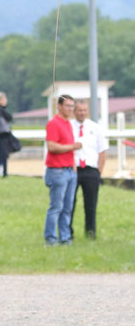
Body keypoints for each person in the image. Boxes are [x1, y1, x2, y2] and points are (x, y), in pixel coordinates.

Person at [43, 95, 82, 246]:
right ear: (59, 106)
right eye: (68, 106)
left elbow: (67, 146)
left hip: (70, 171)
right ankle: (51, 239)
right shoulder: (54, 123)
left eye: (72, 106)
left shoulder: (68, 124)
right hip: (57, 171)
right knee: (56, 207)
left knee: (68, 207)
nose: (71, 109)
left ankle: (65, 238)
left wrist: (73, 165)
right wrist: (72, 147)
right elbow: (52, 146)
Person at [70, 99, 108, 240]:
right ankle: (68, 233)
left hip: (91, 170)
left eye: (84, 110)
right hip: (74, 169)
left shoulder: (95, 128)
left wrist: (99, 172)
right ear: (75, 111)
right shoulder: (69, 127)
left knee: (90, 205)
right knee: (70, 204)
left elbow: (102, 151)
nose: (82, 113)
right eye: (79, 110)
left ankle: (90, 233)